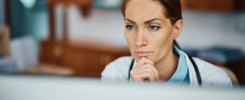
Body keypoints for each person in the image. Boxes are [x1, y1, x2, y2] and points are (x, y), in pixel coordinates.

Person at [101, 0, 232, 87]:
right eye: (130, 26)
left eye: (153, 27)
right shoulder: (114, 74)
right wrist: (135, 92)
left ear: (176, 29)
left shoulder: (214, 80)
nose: (139, 41)